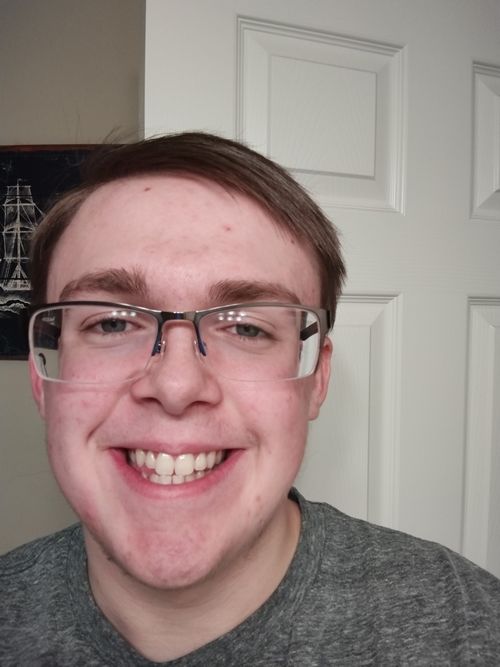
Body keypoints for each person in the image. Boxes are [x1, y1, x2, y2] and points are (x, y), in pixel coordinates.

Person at [0, 132, 499, 666]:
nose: (176, 386)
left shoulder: (471, 628)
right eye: (112, 322)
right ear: (42, 378)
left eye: (246, 328)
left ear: (317, 379)